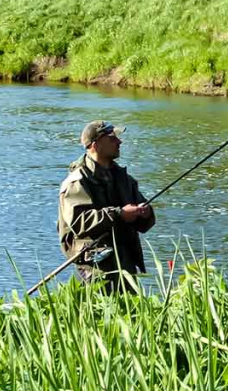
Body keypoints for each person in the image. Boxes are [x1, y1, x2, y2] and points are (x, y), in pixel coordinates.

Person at [57, 120, 155, 293]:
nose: (119, 142)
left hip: (125, 265)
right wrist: (119, 214)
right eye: (112, 138)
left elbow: (143, 223)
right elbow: (79, 222)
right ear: (95, 145)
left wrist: (145, 213)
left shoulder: (123, 178)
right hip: (94, 269)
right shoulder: (76, 182)